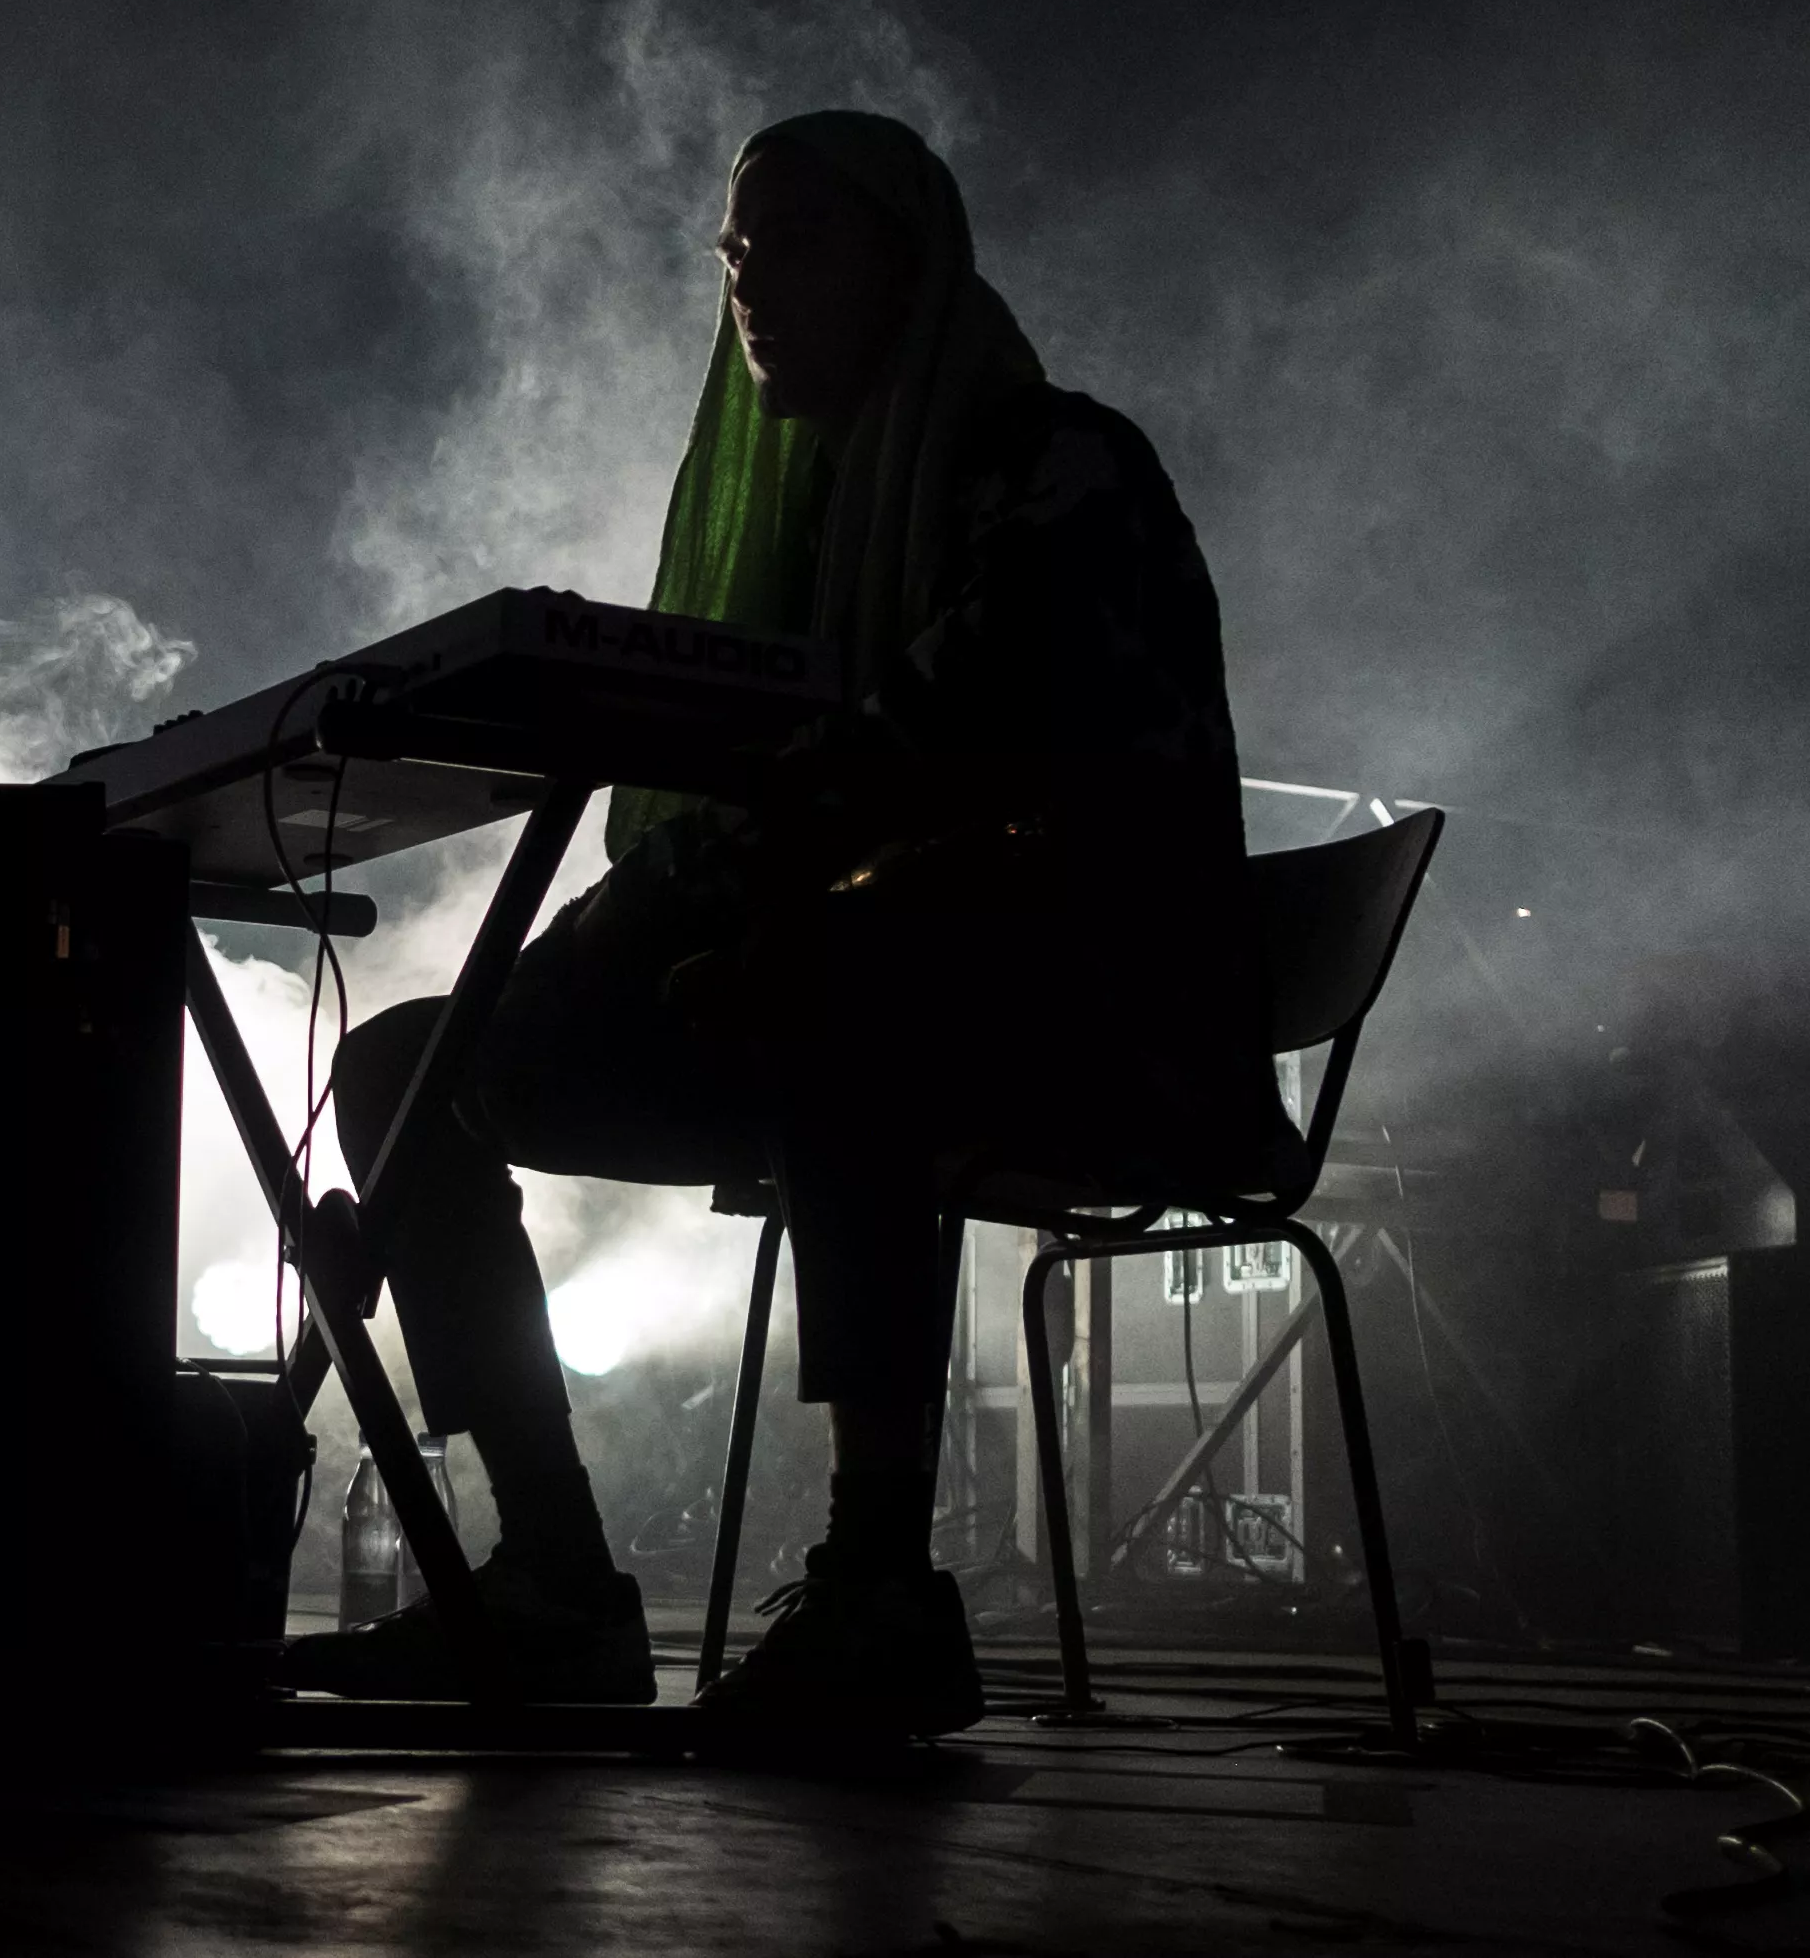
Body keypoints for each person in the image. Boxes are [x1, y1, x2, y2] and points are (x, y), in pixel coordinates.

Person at [282, 110, 1282, 1733]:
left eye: (797, 237)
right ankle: (553, 1585)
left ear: (913, 257)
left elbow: (948, 733)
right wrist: (667, 899)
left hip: (1092, 1016)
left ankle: (881, 1586)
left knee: (842, 982)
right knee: (414, 1066)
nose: (748, 280)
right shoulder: (809, 527)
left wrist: (720, 872)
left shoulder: (1057, 461)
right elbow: (784, 803)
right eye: (733, 251)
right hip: (849, 991)